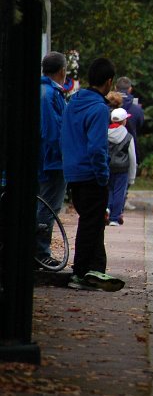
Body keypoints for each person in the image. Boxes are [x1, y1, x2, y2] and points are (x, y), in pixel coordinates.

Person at [62, 57, 125, 292]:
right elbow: (97, 148)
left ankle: (95, 268)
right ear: (108, 82)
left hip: (73, 172)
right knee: (91, 224)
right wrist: (102, 175)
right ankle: (80, 272)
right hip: (91, 173)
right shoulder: (99, 108)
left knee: (94, 221)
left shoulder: (73, 101)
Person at [37, 51, 68, 269]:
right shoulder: (50, 94)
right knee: (48, 206)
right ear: (62, 71)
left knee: (44, 205)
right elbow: (52, 131)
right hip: (51, 161)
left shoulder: (44, 91)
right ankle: (41, 252)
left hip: (45, 159)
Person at [106, 108, 136, 226]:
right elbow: (132, 157)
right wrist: (132, 176)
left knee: (108, 189)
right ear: (124, 121)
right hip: (122, 168)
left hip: (107, 166)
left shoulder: (105, 133)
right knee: (119, 192)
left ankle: (107, 208)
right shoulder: (128, 136)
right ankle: (114, 217)